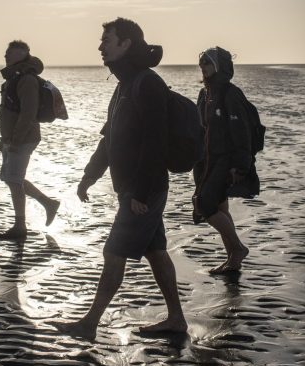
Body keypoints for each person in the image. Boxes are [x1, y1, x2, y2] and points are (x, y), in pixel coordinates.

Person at [58, 18, 187, 341]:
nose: (100, 46)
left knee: (114, 251)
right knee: (156, 251)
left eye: (107, 40)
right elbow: (110, 138)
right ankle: (176, 319)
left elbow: (156, 142)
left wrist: (139, 193)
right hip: (132, 188)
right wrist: (89, 175)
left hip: (144, 189)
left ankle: (89, 323)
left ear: (126, 43)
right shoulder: (125, 84)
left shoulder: (148, 83)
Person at [193, 46, 257, 273]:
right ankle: (233, 259)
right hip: (206, 161)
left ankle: (238, 249)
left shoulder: (231, 94)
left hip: (226, 161)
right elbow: (200, 129)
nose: (202, 66)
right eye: (201, 62)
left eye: (208, 62)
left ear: (220, 66)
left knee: (204, 203)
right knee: (220, 206)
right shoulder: (205, 93)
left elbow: (242, 132)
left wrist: (241, 165)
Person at [0, 40, 60, 240]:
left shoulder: (26, 79)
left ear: (21, 56)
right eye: (6, 52)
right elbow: (9, 113)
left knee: (14, 180)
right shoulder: (14, 77)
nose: (6, 55)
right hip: (14, 137)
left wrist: (15, 141)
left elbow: (28, 113)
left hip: (24, 137)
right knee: (10, 177)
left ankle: (20, 227)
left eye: (11, 52)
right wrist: (5, 138)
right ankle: (48, 203)